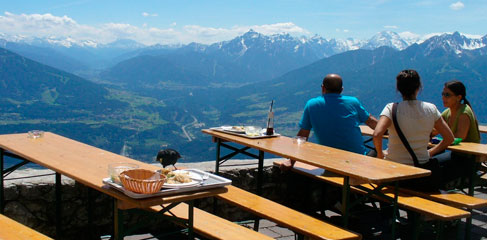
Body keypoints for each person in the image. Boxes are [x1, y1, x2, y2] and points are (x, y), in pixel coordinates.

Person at [373, 69, 454, 190]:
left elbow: (377, 134)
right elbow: (449, 138)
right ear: (419, 87)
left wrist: (380, 155)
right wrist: (430, 153)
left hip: (394, 169)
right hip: (421, 169)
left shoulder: (391, 108)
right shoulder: (431, 109)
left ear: (398, 89)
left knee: (382, 191)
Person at [281, 73, 378, 169]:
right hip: (357, 161)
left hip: (328, 161)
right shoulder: (353, 102)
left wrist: (291, 161)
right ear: (341, 89)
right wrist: (386, 126)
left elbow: (302, 135)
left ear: (323, 88)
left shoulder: (312, 105)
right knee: (378, 151)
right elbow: (371, 123)